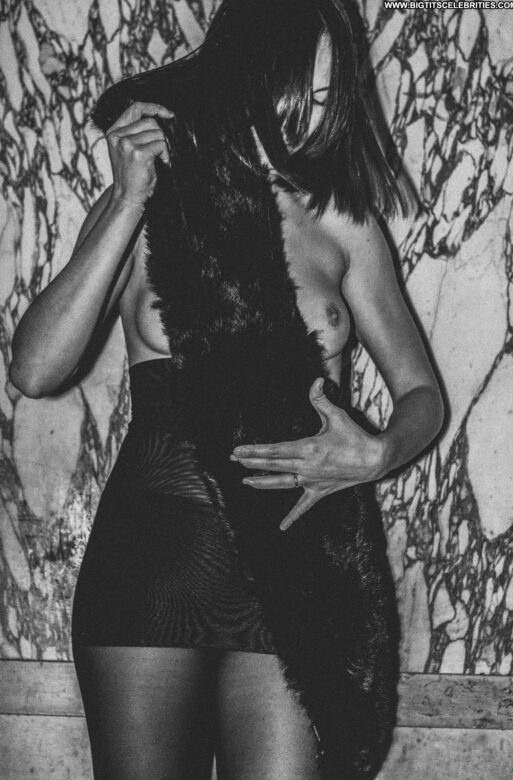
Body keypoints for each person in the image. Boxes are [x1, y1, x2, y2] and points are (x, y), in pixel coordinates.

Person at [9, 0, 444, 778]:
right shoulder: (152, 201)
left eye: (326, 100)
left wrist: (379, 453)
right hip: (154, 563)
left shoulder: (341, 221)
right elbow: (36, 369)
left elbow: (423, 394)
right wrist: (130, 199)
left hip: (299, 572)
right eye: (295, 94)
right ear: (242, 73)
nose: (310, 122)